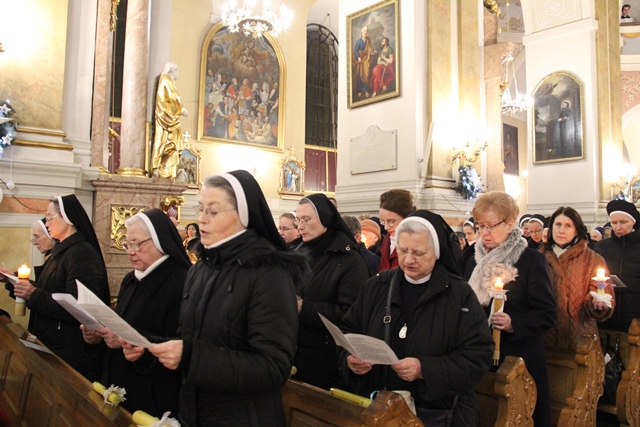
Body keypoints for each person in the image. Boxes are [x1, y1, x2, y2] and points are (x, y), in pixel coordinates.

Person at [125, 171, 301, 427]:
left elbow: (272, 368)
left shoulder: (269, 273)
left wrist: (190, 357)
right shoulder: (201, 268)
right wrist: (148, 348)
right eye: (200, 209)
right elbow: (190, 341)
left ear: (243, 215)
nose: (201, 219)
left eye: (213, 211)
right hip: (194, 414)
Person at [339, 210, 494, 425]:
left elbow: (478, 355)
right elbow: (348, 330)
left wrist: (424, 369)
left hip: (434, 413)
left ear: (437, 252)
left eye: (419, 253)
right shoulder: (377, 286)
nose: (409, 259)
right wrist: (350, 359)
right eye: (403, 250)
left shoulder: (460, 294)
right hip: (379, 409)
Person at [82, 209, 189, 417]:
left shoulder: (181, 282)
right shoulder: (131, 279)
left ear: (159, 241)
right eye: (127, 244)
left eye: (136, 244)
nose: (130, 252)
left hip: (153, 397)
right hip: (120, 385)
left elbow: (180, 346)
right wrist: (100, 336)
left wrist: (130, 342)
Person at [465, 191, 557, 427]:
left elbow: (547, 313)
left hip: (517, 358)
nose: (484, 233)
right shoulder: (470, 259)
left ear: (510, 223)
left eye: (491, 226)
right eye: (480, 226)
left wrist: (513, 323)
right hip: (477, 354)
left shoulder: (530, 260)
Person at [10, 195, 110, 380]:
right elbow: (48, 291)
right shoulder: (61, 252)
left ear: (68, 218)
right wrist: (14, 282)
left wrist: (33, 294)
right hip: (51, 342)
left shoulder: (82, 254)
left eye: (50, 217)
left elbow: (78, 306)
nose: (46, 223)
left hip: (69, 349)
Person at [292, 194, 369, 390]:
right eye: (298, 220)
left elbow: (351, 314)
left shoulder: (349, 260)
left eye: (306, 219)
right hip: (294, 355)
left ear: (325, 219)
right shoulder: (298, 252)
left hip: (328, 363)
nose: (300, 226)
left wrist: (303, 308)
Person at [540, 207, 615, 350]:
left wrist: (597, 302)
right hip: (544, 336)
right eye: (558, 225)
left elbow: (603, 291)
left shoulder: (592, 259)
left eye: (568, 226)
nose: (561, 230)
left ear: (577, 230)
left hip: (581, 338)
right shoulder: (538, 257)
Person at [595, 199, 640, 332]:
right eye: (614, 223)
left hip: (635, 312)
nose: (618, 227)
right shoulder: (602, 246)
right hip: (608, 313)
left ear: (633, 221)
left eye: (623, 222)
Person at [152, 62, 189, 179]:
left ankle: (164, 169)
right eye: (177, 70)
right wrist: (182, 110)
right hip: (167, 117)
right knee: (167, 141)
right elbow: (173, 98)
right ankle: (161, 169)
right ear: (173, 71)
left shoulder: (166, 80)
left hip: (168, 116)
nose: (178, 74)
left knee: (170, 142)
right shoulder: (166, 79)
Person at [378, 189, 415, 272]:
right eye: (383, 221)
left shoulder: (417, 245)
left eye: (391, 221)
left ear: (406, 218)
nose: (386, 227)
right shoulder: (386, 242)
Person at [353, 26, 377, 98]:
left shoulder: (368, 40)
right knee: (359, 75)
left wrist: (372, 53)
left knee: (366, 73)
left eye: (366, 31)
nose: (365, 32)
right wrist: (358, 57)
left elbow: (369, 50)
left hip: (366, 59)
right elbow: (355, 50)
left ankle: (365, 89)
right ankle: (360, 90)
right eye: (364, 31)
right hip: (360, 60)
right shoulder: (359, 41)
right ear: (362, 32)